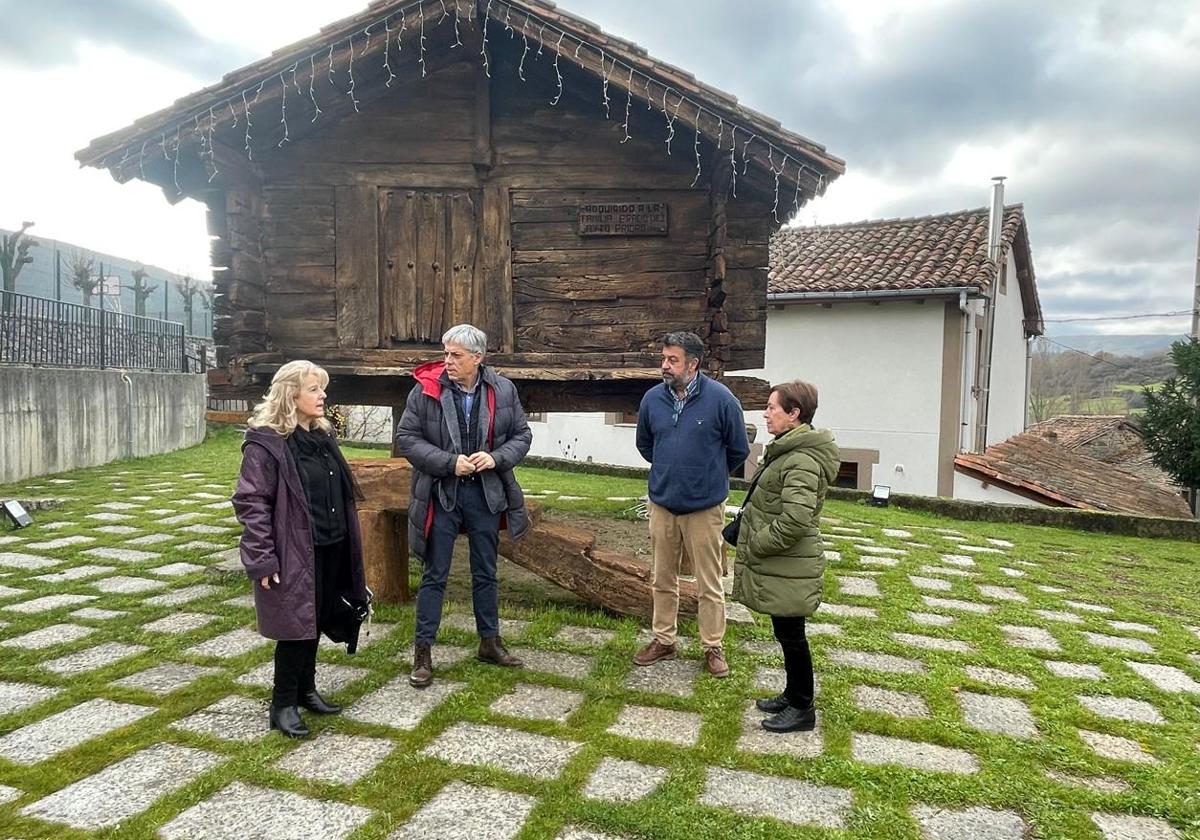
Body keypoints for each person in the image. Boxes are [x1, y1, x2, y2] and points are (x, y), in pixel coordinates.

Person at [232, 360, 369, 739]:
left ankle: (306, 690)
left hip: (330, 545)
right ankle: (282, 704)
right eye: (314, 389)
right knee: (294, 628)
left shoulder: (322, 436)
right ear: (291, 394)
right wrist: (261, 559)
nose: (323, 395)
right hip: (293, 549)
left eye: (322, 388)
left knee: (315, 619)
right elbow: (251, 503)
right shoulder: (267, 443)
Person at [395, 323, 533, 688]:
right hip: (443, 493)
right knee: (434, 574)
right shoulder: (425, 390)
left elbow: (522, 435)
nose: (448, 361)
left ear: (478, 357)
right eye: (446, 354)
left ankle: (490, 642)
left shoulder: (503, 389)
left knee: (485, 572)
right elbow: (407, 438)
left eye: (456, 355)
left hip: (486, 494)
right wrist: (447, 462)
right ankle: (423, 653)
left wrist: (497, 457)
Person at [633, 331, 750, 677]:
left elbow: (738, 450)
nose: (665, 366)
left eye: (673, 360)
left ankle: (713, 646)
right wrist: (671, 471)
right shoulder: (652, 400)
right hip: (663, 504)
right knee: (662, 577)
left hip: (704, 507)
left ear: (693, 364)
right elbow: (645, 445)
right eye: (664, 358)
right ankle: (663, 639)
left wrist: (704, 475)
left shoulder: (722, 400)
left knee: (708, 582)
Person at [734, 380, 839, 732]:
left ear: (794, 414)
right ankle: (793, 694)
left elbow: (796, 519)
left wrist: (757, 544)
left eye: (773, 408)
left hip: (791, 561)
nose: (766, 413)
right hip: (787, 563)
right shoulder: (788, 450)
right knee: (786, 632)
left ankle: (803, 708)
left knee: (793, 636)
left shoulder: (802, 460)